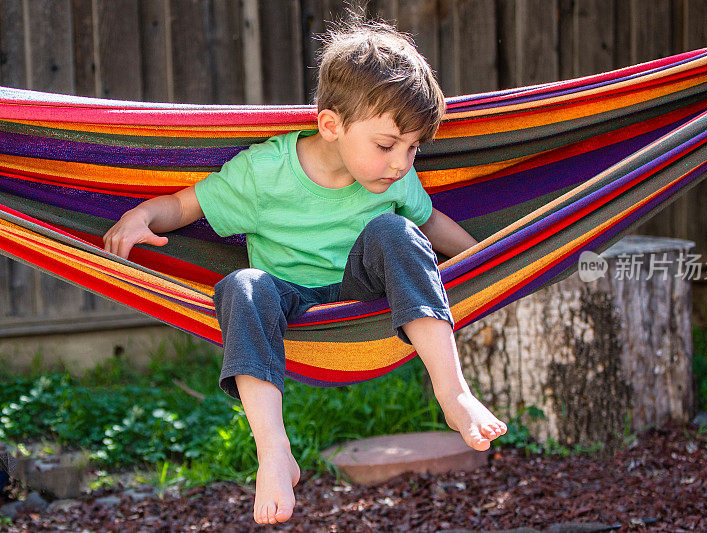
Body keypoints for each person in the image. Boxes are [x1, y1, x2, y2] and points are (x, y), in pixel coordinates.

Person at [103, 15, 507, 526]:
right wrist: (141, 215)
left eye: (413, 148)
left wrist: (488, 262)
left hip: (365, 297)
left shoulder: (394, 179)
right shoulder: (265, 174)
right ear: (331, 126)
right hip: (288, 304)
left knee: (398, 232)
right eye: (387, 145)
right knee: (242, 286)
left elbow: (431, 223)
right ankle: (273, 450)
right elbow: (186, 207)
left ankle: (453, 393)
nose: (402, 163)